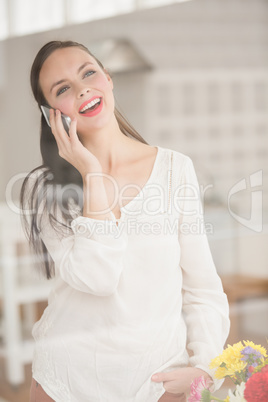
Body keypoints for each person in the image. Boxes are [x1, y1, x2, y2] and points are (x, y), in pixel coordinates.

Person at [20, 40, 230, 402]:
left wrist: (205, 368)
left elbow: (202, 289)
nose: (83, 87)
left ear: (108, 78)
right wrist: (92, 171)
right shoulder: (44, 188)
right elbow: (98, 279)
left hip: (156, 380)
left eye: (88, 73)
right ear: (51, 112)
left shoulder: (174, 169)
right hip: (65, 382)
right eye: (63, 89)